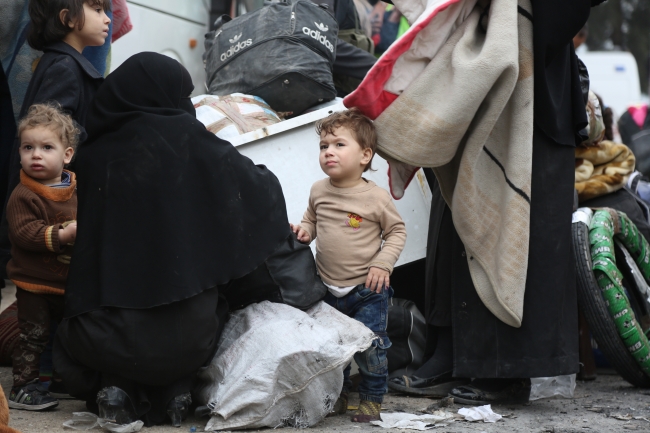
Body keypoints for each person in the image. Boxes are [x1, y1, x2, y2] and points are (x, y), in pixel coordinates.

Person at [53, 52, 292, 427]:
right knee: (209, 302)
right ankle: (177, 388)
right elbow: (261, 191)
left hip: (102, 339)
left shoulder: (94, 154)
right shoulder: (192, 141)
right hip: (189, 342)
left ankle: (118, 387)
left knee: (78, 327)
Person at [390, 0, 607, 405]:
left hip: (533, 87)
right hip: (471, 72)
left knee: (517, 226)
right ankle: (451, 352)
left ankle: (508, 369)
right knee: (455, 217)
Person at [291, 109, 406, 422]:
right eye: (323, 146)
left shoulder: (376, 197)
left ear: (365, 155)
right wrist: (304, 232)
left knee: (371, 349)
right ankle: (337, 397)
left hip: (367, 289)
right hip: (326, 288)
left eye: (339, 145)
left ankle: (371, 399)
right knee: (332, 350)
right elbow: (311, 220)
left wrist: (383, 263)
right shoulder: (318, 190)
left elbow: (396, 231)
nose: (329, 151)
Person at [1, 0, 110, 280]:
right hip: (47, 198)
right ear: (68, 18)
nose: (107, 18)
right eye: (97, 10)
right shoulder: (65, 66)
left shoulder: (62, 61)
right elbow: (52, 133)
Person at [5, 103, 78, 411]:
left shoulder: (75, 188)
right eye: (28, 147)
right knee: (33, 335)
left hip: (65, 281)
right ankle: (24, 386)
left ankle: (54, 379)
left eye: (47, 147)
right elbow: (25, 232)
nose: (35, 154)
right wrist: (62, 234)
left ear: (67, 155)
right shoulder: (24, 195)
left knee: (62, 333)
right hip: (33, 282)